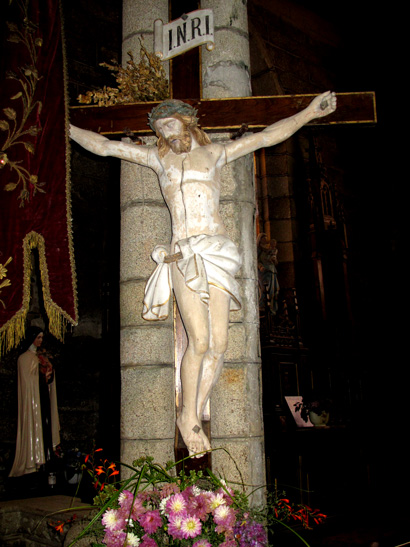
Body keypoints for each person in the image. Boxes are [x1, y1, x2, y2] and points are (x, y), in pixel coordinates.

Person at [70, 91, 337, 456]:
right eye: (161, 129)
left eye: (171, 125)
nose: (168, 134)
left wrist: (308, 113)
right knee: (198, 340)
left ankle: (194, 409)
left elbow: (266, 136)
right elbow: (103, 147)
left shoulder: (215, 153)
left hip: (217, 250)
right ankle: (187, 416)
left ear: (187, 122)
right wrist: (65, 128)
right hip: (184, 252)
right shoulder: (157, 159)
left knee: (221, 344)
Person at [9, 326, 60, 478]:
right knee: (34, 427)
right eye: (38, 337)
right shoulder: (24, 359)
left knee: (45, 427)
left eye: (42, 338)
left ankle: (45, 460)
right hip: (32, 402)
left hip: (43, 398)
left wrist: (49, 374)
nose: (40, 341)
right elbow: (27, 381)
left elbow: (47, 378)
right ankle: (32, 463)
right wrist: (41, 375)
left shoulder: (40, 357)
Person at [257, 233, 280, 315]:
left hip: (272, 271)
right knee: (264, 290)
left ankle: (272, 309)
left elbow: (275, 262)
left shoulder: (271, 249)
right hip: (263, 273)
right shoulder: (259, 249)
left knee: (274, 290)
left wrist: (274, 260)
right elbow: (256, 260)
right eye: (263, 239)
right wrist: (260, 266)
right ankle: (263, 307)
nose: (265, 240)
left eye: (266, 239)